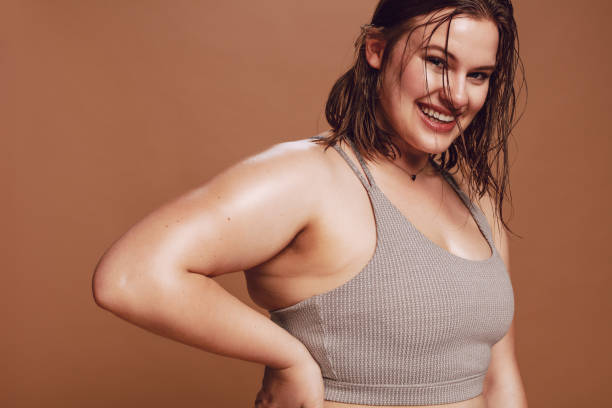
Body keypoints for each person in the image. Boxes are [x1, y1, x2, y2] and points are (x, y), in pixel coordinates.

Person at [92, 0, 528, 407]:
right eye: (436, 62)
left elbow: (499, 376)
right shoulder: (310, 177)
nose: (457, 95)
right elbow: (131, 276)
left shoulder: (476, 198)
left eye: (478, 75)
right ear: (377, 50)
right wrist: (288, 356)